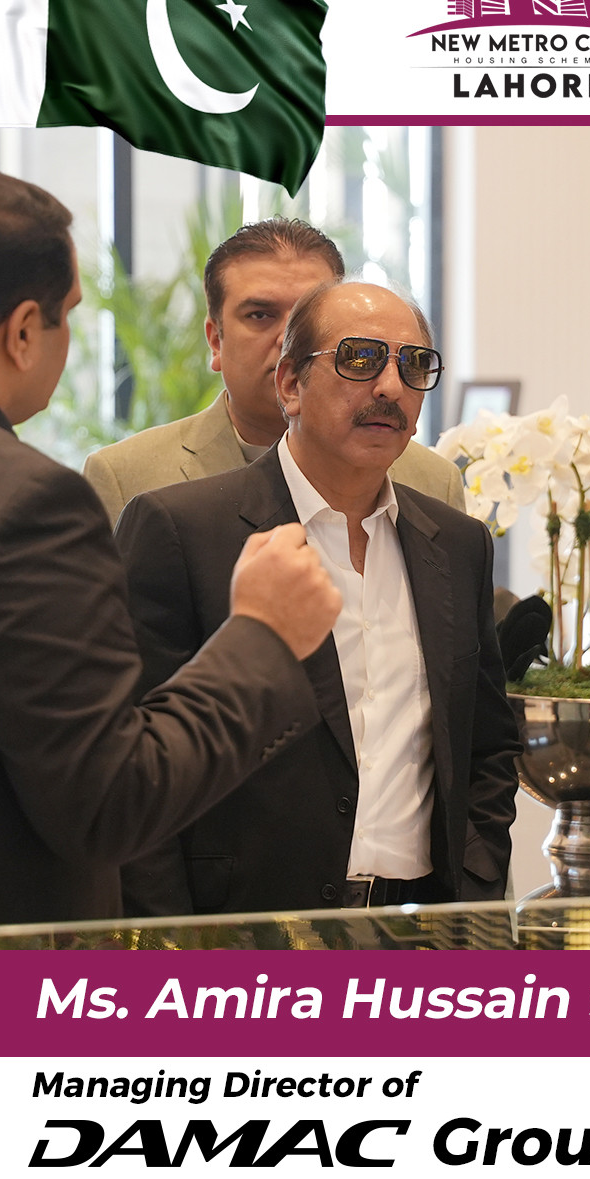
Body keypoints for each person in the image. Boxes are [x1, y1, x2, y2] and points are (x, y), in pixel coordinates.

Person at [0, 167, 342, 927]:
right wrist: (263, 635)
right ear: (23, 332)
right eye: (69, 318)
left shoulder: (428, 486)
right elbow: (107, 797)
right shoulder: (36, 502)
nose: (288, 342)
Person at [114, 280, 520, 915]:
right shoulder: (181, 530)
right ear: (290, 385)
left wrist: (476, 879)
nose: (391, 387)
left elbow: (486, 746)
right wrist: (171, 944)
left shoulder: (457, 544)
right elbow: (132, 764)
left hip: (419, 925)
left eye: (415, 365)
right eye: (360, 358)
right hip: (244, 932)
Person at [82, 218, 465, 523]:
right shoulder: (128, 478)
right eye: (260, 315)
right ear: (216, 341)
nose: (288, 339)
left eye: (307, 317)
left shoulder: (433, 482)